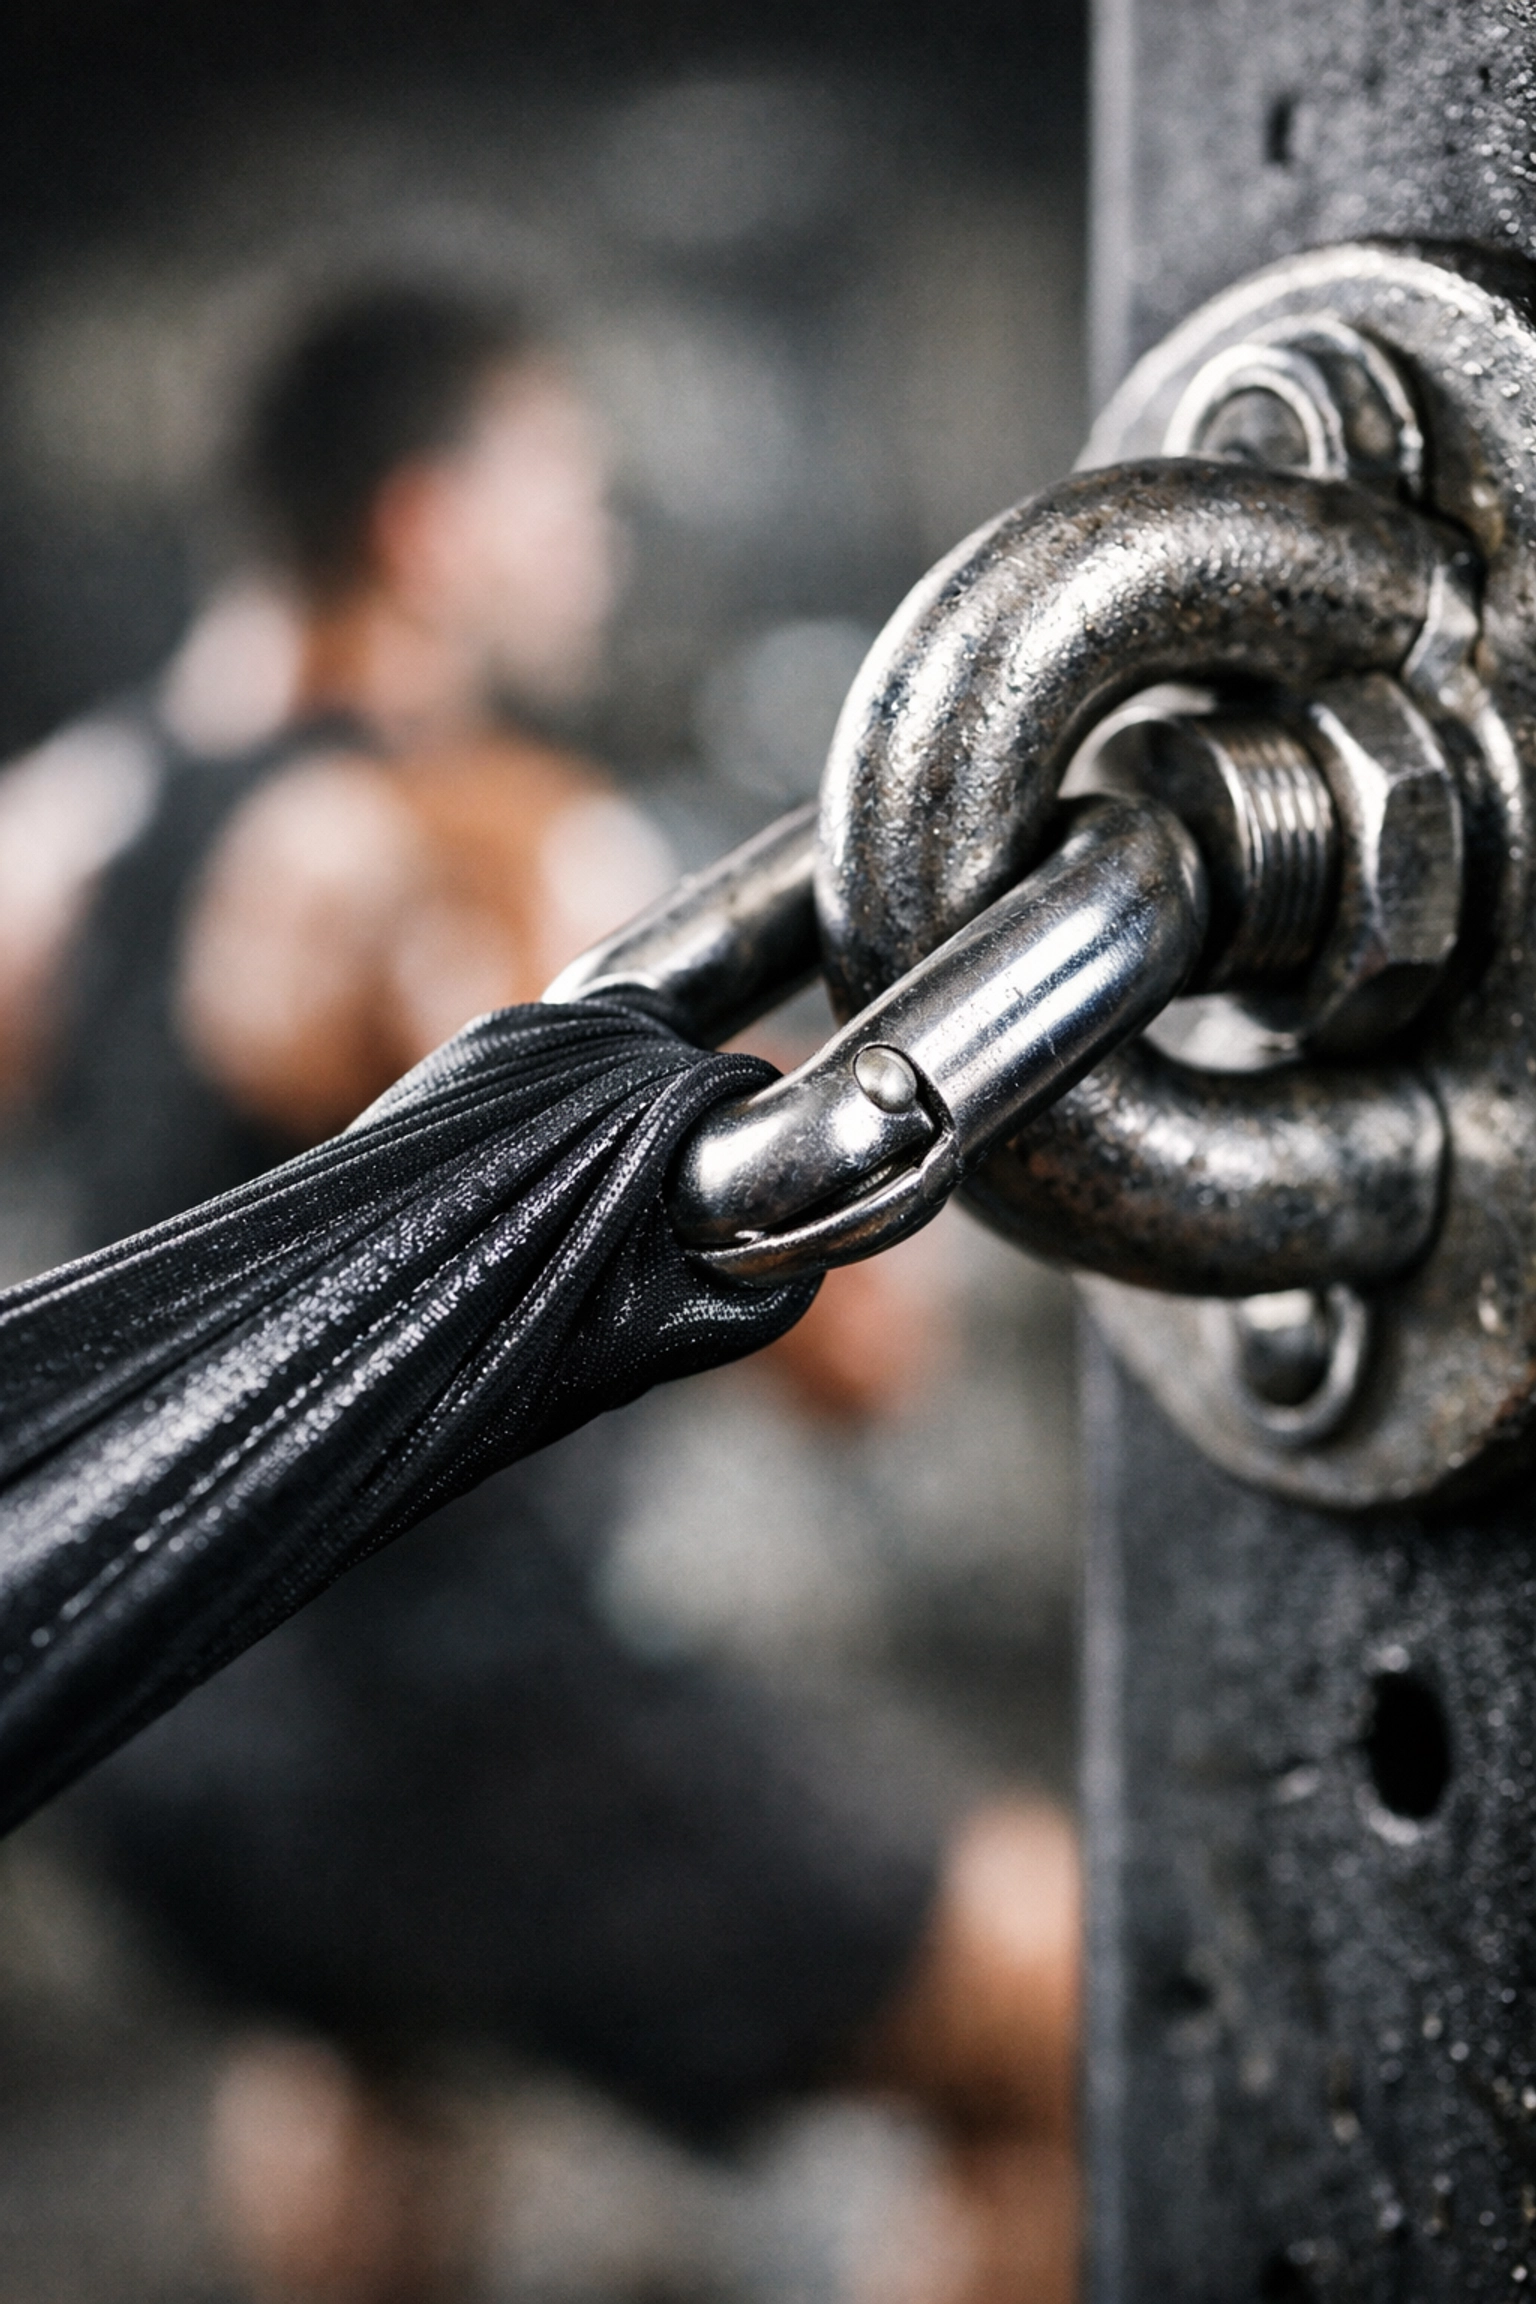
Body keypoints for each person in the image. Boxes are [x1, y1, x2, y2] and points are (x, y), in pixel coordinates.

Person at [0, 284, 1079, 2304]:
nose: (596, 542)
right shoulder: (488, 838)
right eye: (564, 488)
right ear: (429, 523)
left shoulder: (50, 829)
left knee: (354, 2042)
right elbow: (852, 1361)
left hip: (151, 1723)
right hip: (451, 1736)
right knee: (1060, 2021)